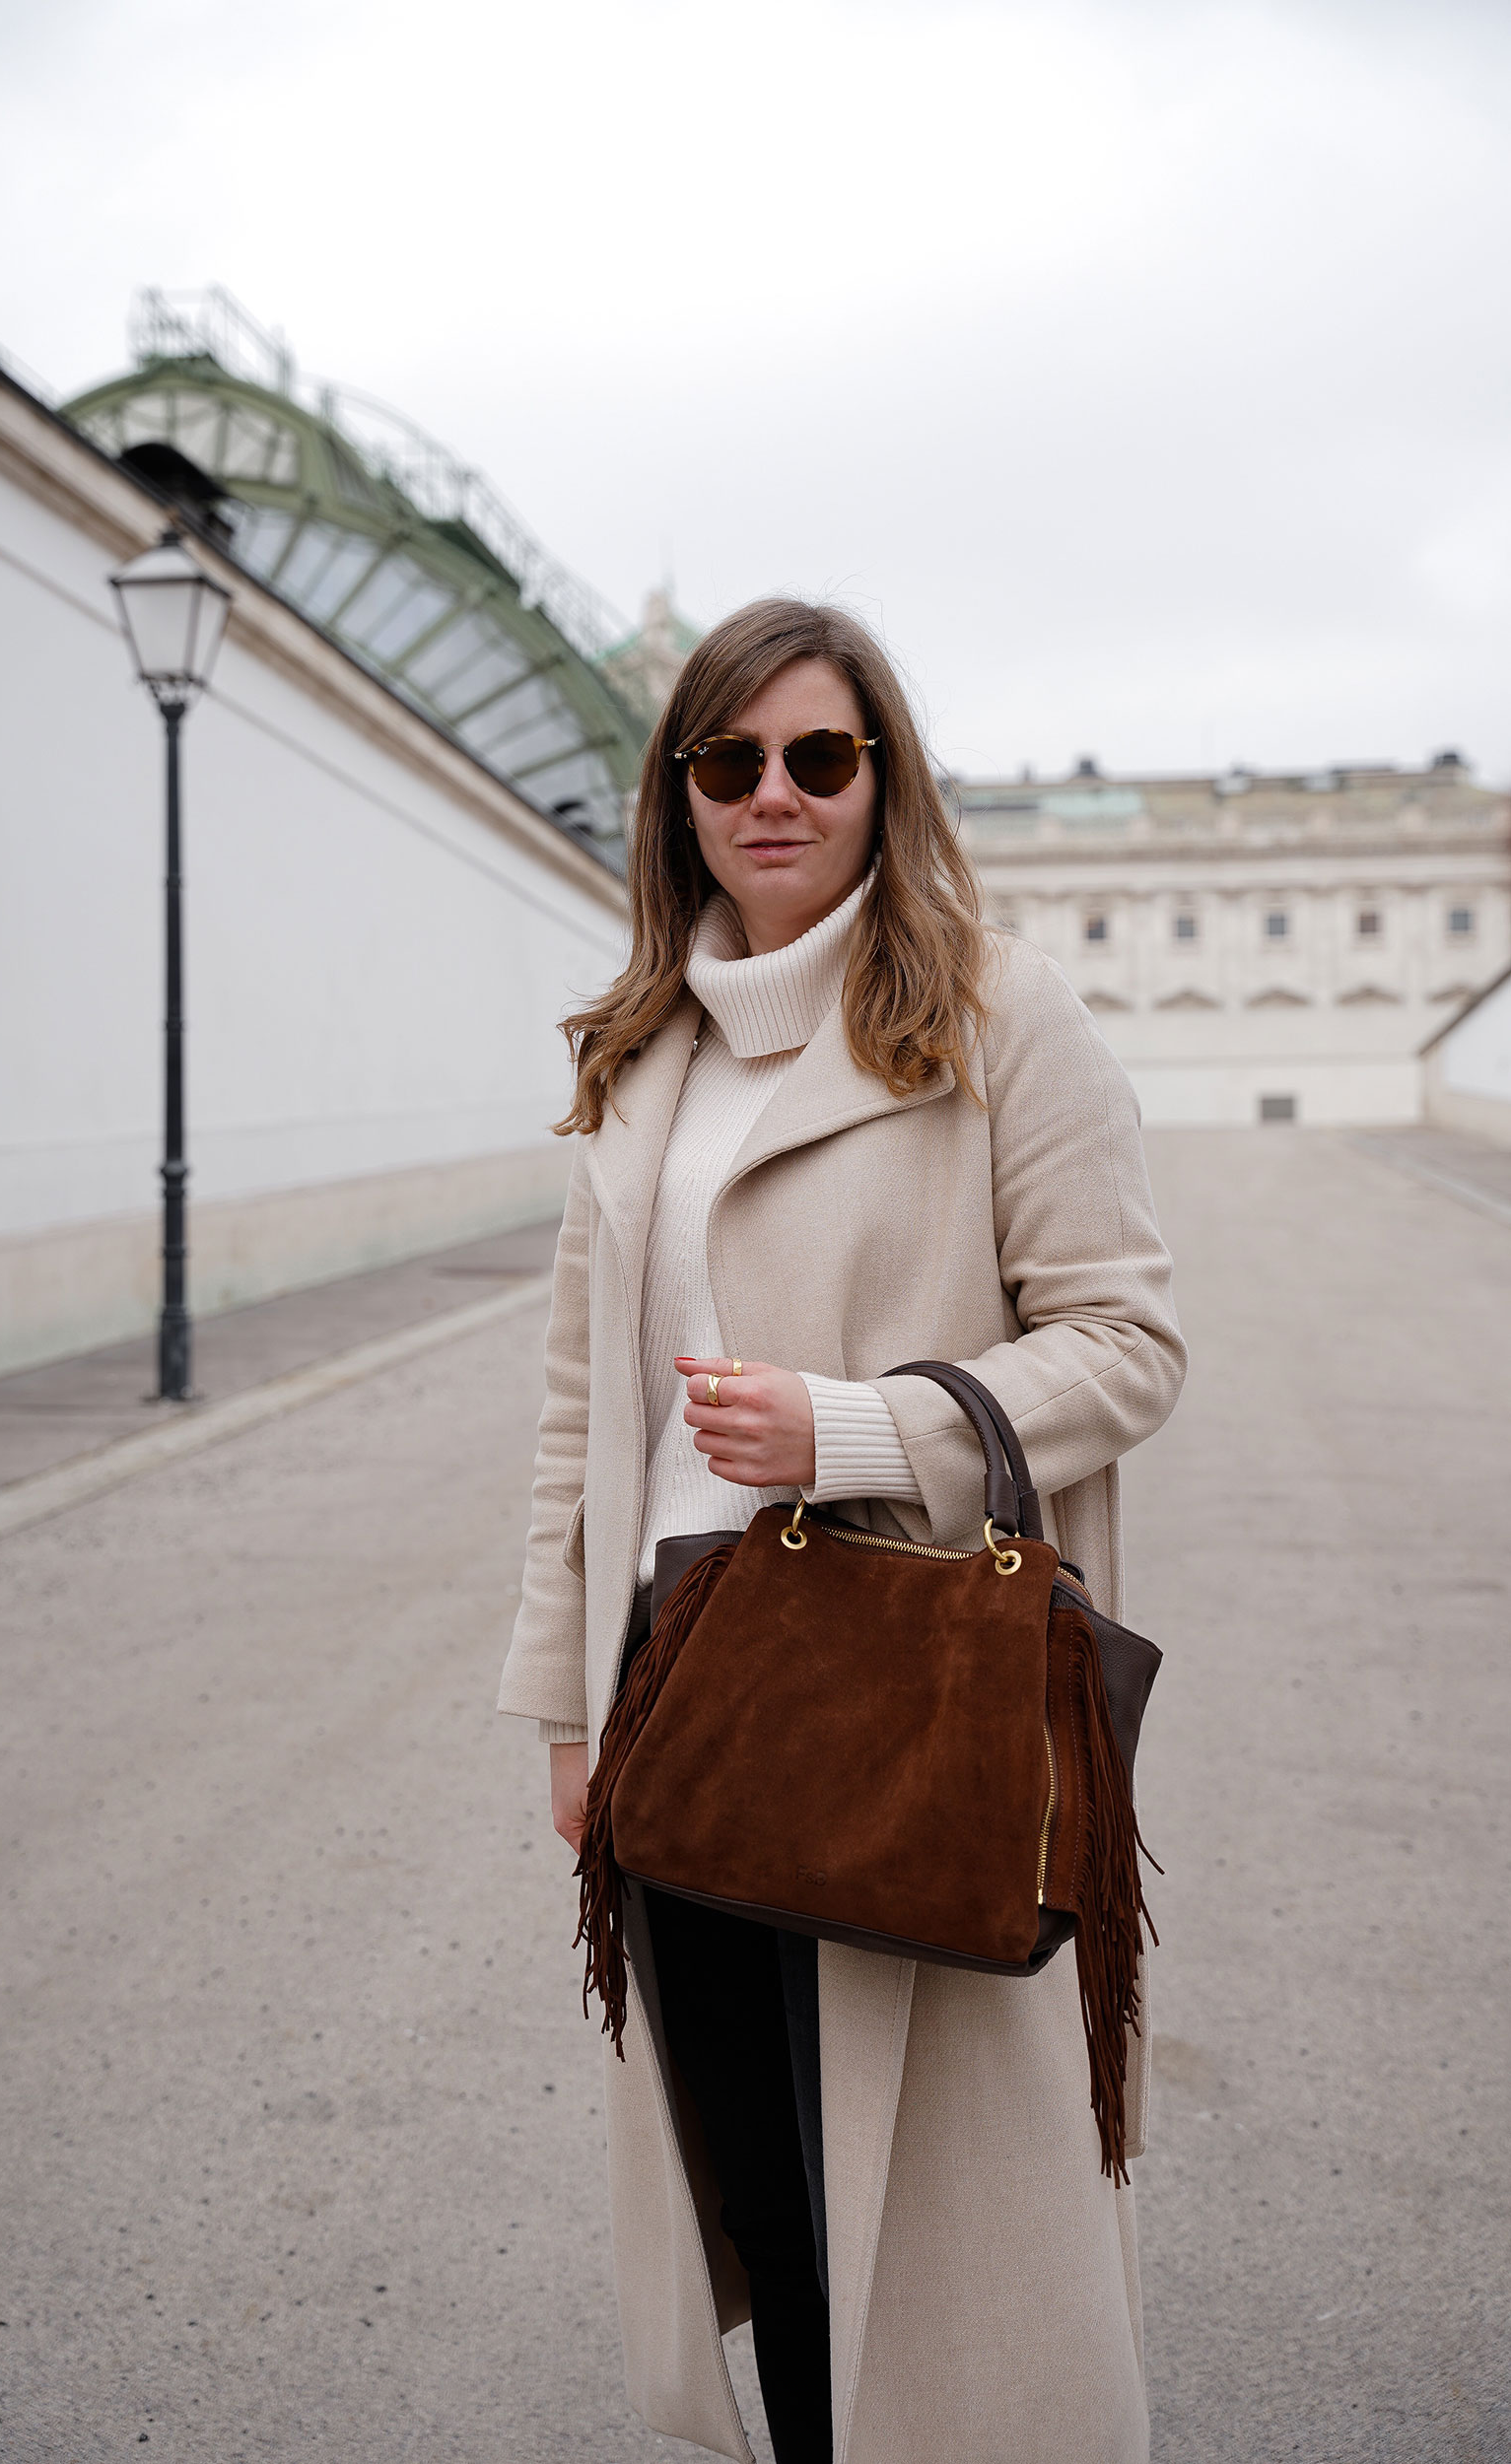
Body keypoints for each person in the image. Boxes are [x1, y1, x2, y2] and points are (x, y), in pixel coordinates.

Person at [497, 597, 1186, 2464]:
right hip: (678, 1682)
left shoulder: (992, 1010)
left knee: (917, 2199)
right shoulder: (641, 1051)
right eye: (731, 763)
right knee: (767, 2185)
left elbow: (1127, 1344)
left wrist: (856, 1427)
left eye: (822, 756)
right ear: (681, 796)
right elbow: (586, 1409)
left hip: (893, 1683)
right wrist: (566, 1710)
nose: (774, 795)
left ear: (886, 778)